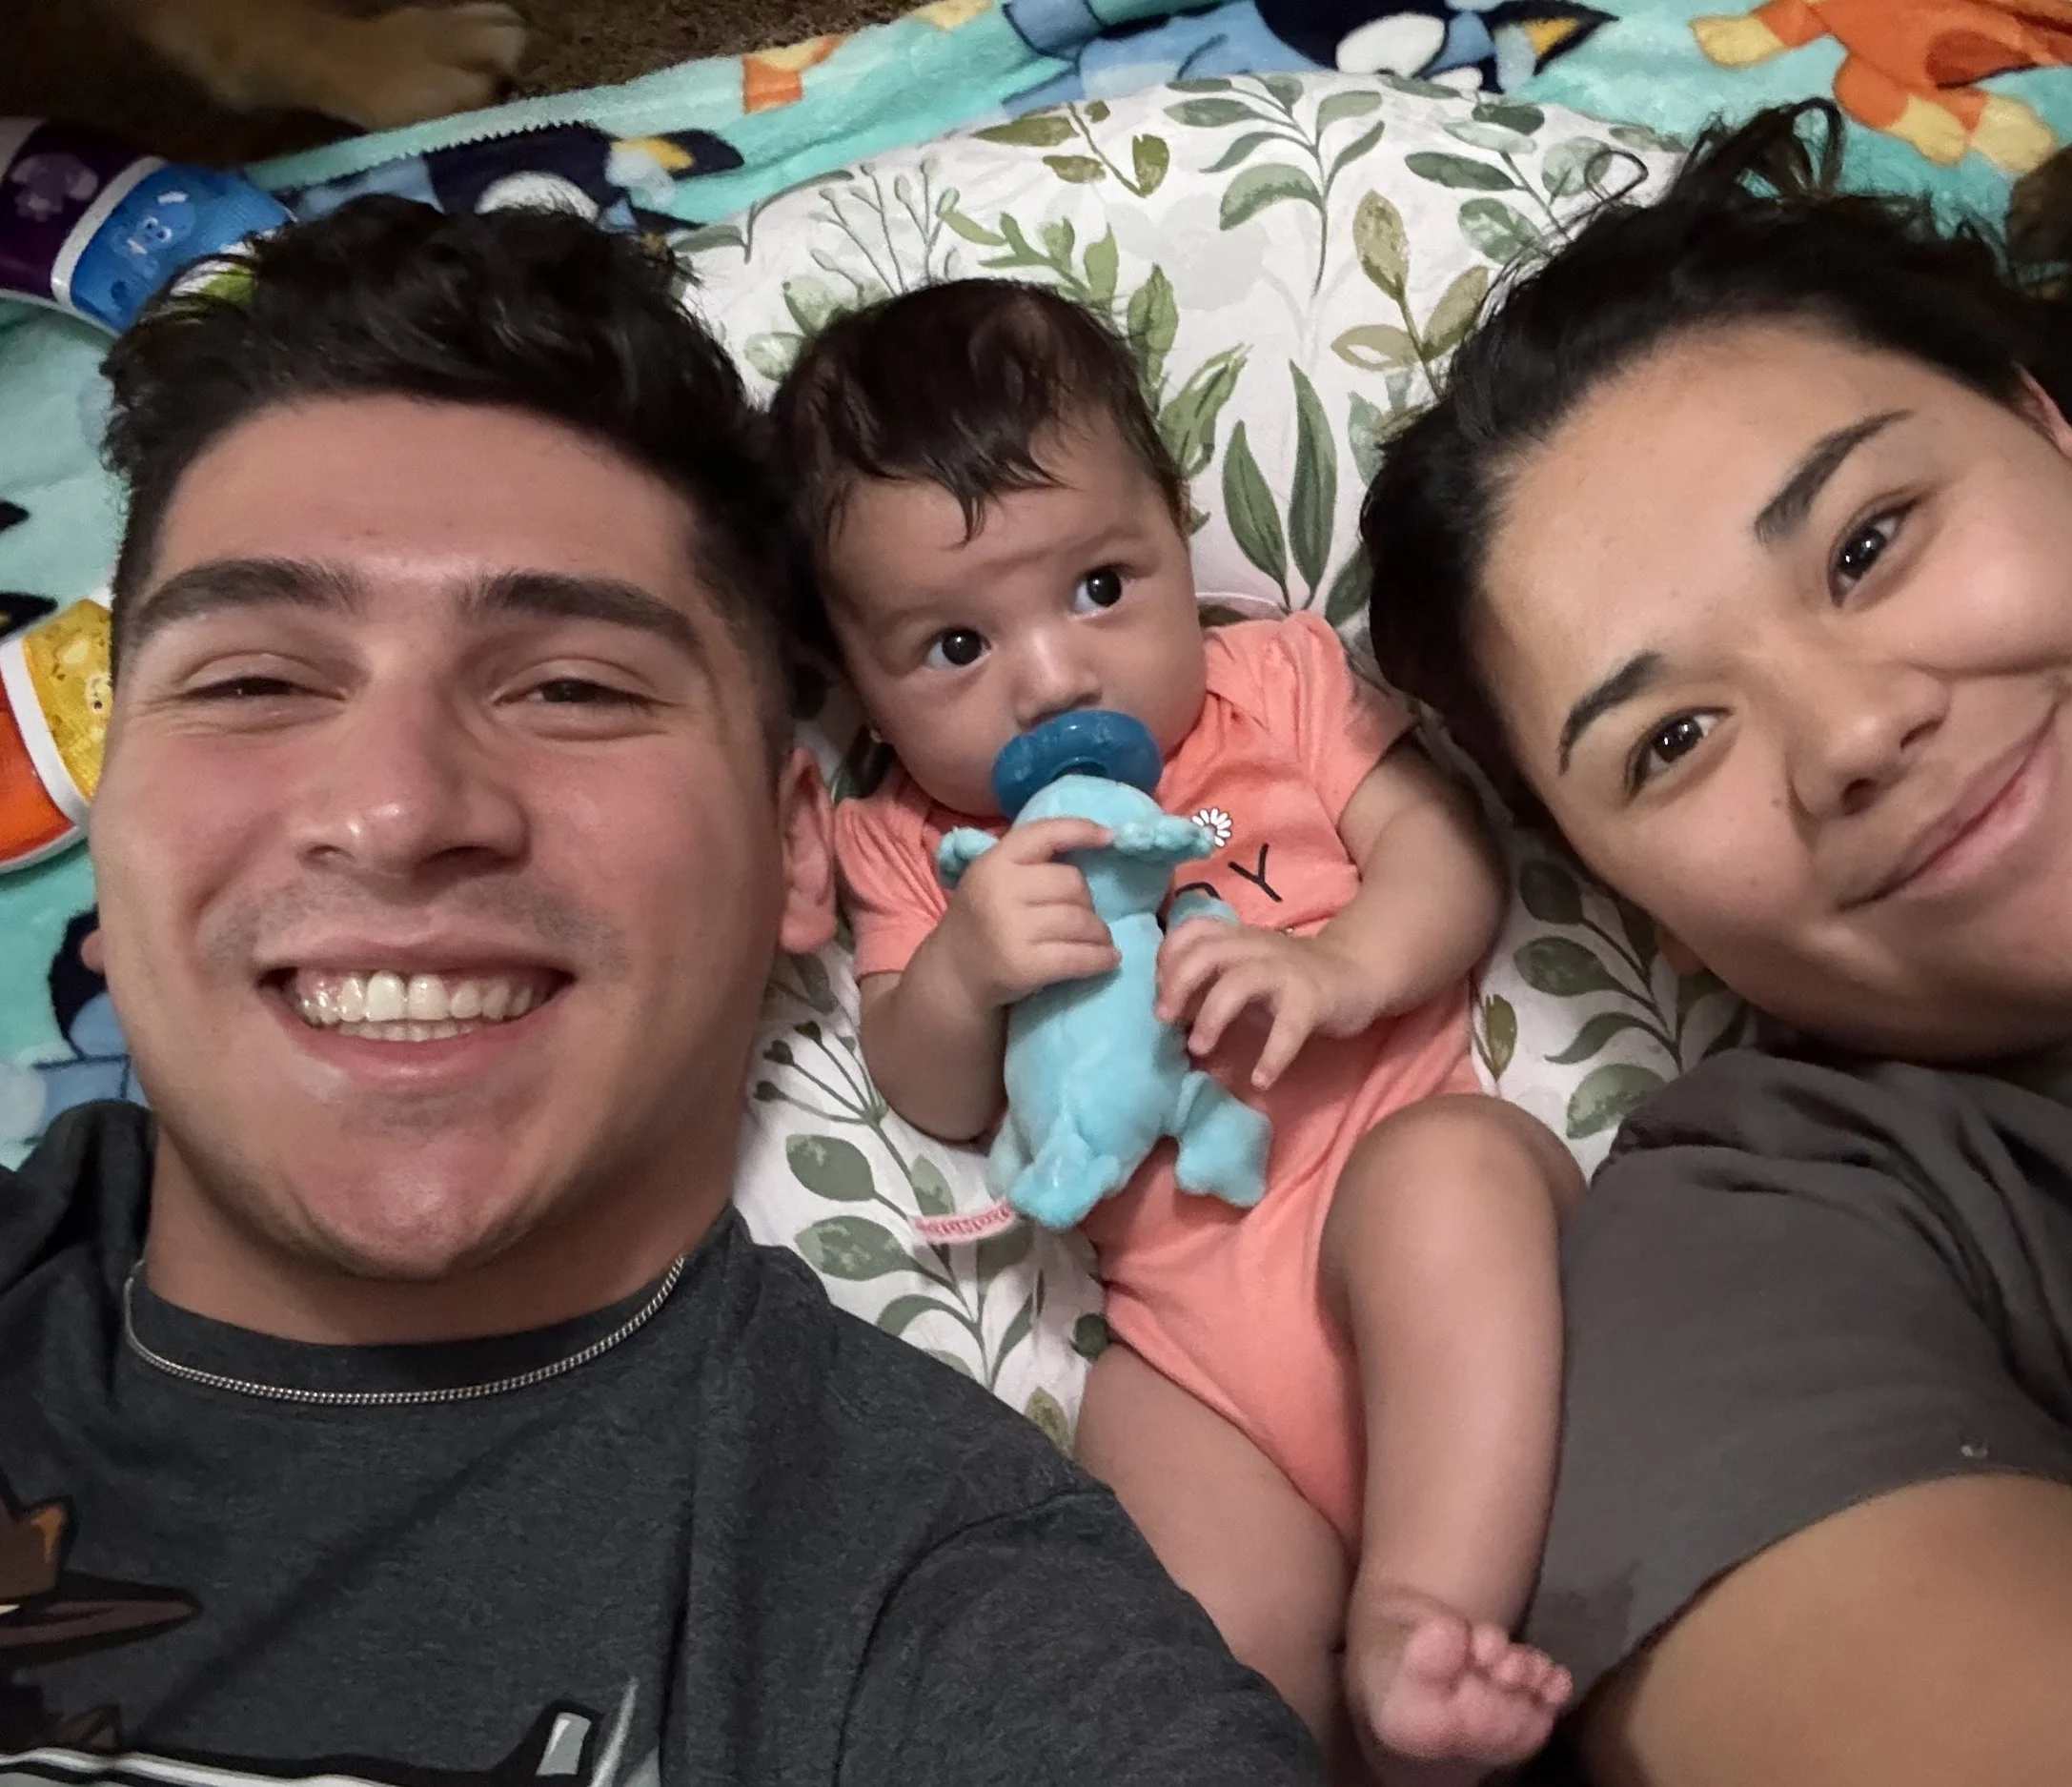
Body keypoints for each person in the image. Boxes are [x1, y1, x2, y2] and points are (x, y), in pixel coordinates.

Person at [0, 196, 1321, 1785]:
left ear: (792, 854)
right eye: (256, 681)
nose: (399, 807)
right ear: (117, 791)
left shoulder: (939, 1600)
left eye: (570, 686)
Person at [1364, 102, 2072, 1785]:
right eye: (1671, 742)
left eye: (1867, 541)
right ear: (1636, 902)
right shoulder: (1763, 1252)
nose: (1848, 731)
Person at [768, 279, 1583, 1784]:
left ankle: (1423, 1613)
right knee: (1167, 1605)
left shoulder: (1273, 682)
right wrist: (964, 969)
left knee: (1456, 1175)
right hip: (1192, 1340)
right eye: (952, 645)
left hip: (1399, 1203)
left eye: (1100, 588)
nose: (1052, 675)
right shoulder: (907, 842)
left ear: (1175, 531)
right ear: (847, 670)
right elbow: (928, 1087)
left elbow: (1450, 866)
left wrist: (1339, 967)